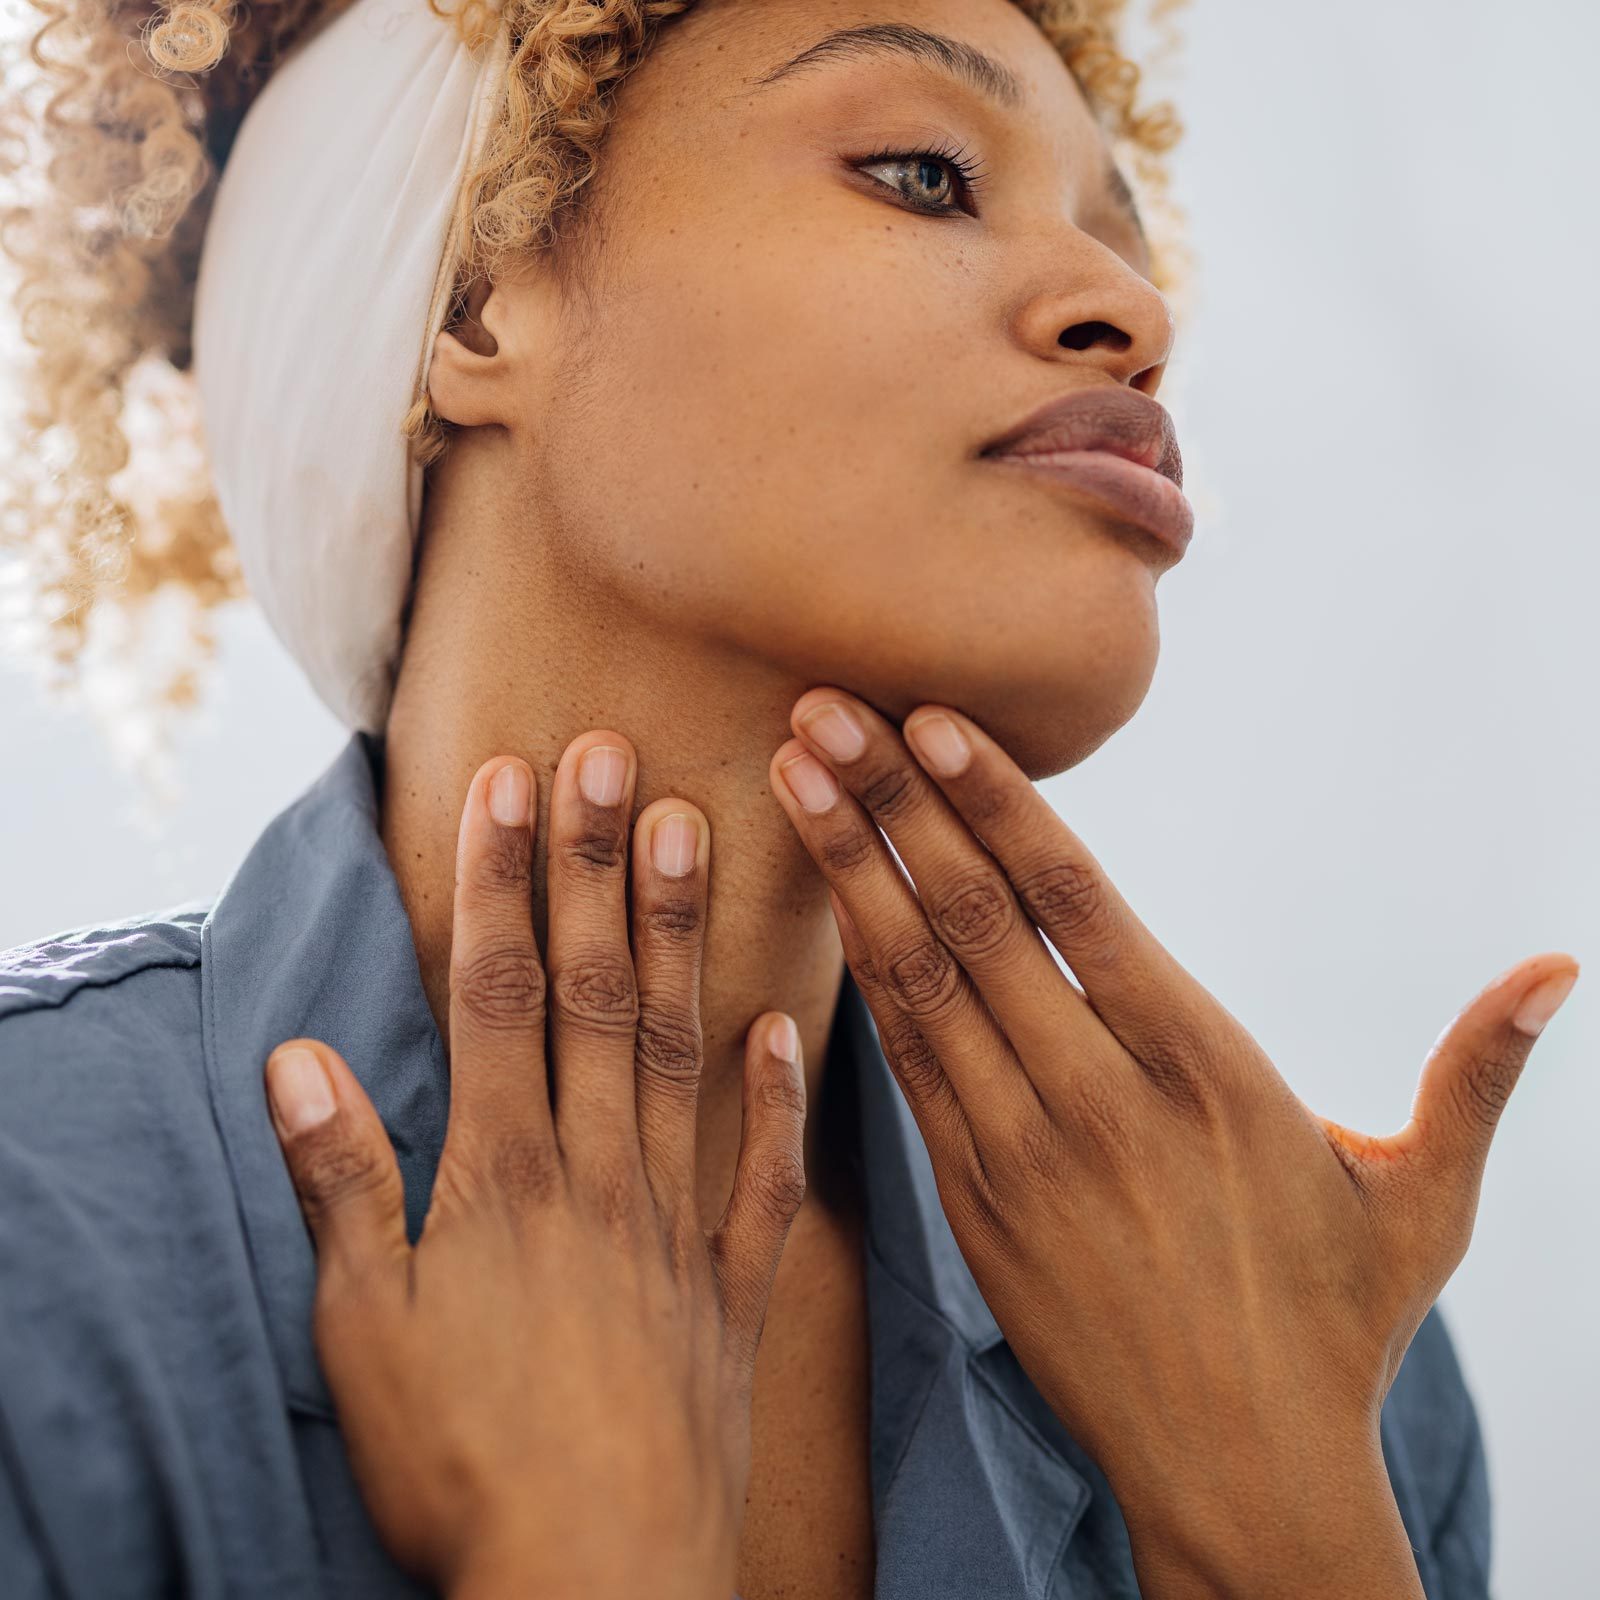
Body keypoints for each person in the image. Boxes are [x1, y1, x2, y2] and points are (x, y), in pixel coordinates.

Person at [0, 0, 1574, 1595]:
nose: (1130, 309)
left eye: (1128, 236)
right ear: (473, 301)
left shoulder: (1334, 1375)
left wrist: (1286, 1523)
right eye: (924, 174)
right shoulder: (35, 1215)